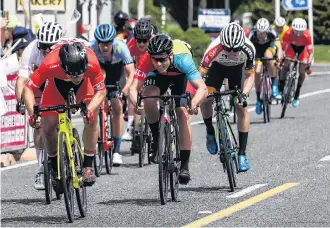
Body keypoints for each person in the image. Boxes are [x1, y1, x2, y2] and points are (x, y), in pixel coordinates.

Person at [23, 40, 106, 192]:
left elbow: (101, 91)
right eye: (71, 73)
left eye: (79, 73)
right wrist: (32, 114)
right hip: (56, 86)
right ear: (62, 65)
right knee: (47, 127)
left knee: (92, 119)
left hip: (85, 87)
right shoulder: (50, 63)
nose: (76, 77)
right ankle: (55, 168)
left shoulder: (92, 62)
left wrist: (89, 109)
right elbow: (28, 89)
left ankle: (88, 166)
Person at [129, 34, 208, 184]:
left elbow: (202, 88)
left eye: (162, 59)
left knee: (182, 113)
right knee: (149, 97)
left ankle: (184, 166)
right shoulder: (147, 59)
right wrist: (136, 102)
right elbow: (133, 89)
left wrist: (194, 103)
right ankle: (157, 138)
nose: (158, 63)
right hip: (159, 77)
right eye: (155, 59)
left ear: (170, 55)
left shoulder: (183, 58)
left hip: (180, 76)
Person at [199, 22, 256, 172]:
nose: (232, 53)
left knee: (240, 106)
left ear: (241, 45)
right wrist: (197, 95)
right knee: (205, 101)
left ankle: (242, 154)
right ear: (222, 44)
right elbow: (199, 76)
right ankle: (210, 132)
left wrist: (244, 95)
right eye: (227, 48)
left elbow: (250, 76)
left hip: (236, 72)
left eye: (236, 49)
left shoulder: (249, 49)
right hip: (216, 70)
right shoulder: (213, 49)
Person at [15, 21, 63, 190]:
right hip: (40, 85)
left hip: (60, 83)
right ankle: (41, 169)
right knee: (39, 124)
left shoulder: (65, 48)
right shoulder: (31, 50)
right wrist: (20, 101)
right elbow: (22, 80)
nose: (46, 51)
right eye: (43, 46)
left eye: (50, 47)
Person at [91, 24, 135, 166]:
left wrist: (125, 91)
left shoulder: (120, 47)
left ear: (112, 41)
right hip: (101, 73)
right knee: (96, 105)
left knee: (117, 107)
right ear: (97, 42)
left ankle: (116, 150)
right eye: (102, 43)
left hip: (117, 75)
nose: (104, 47)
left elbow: (131, 73)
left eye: (108, 43)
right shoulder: (92, 49)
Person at [126, 19, 155, 150]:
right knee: (138, 96)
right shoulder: (130, 45)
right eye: (139, 40)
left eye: (145, 41)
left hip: (154, 69)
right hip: (139, 70)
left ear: (150, 38)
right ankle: (137, 130)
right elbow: (125, 67)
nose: (142, 44)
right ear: (135, 38)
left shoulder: (155, 42)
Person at [248, 18, 283, 115]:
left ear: (267, 31)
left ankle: (274, 86)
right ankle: (258, 99)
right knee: (257, 72)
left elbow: (279, 48)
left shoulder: (272, 33)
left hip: (269, 47)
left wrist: (279, 60)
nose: (260, 35)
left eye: (262, 33)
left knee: (269, 58)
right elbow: (247, 50)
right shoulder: (252, 34)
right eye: (258, 32)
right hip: (257, 50)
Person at [278, 18, 313, 107]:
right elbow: (282, 48)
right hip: (291, 47)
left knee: (302, 70)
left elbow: (310, 52)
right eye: (296, 31)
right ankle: (281, 87)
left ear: (304, 30)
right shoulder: (288, 33)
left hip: (303, 49)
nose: (298, 34)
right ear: (292, 29)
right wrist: (281, 59)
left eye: (300, 32)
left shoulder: (307, 35)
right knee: (285, 65)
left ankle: (297, 94)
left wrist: (308, 64)